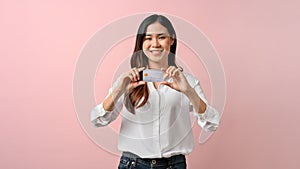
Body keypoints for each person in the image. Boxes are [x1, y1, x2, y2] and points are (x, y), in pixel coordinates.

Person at [90, 14, 220, 169]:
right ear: (141, 42)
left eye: (161, 37)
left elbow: (211, 124)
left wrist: (189, 92)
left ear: (171, 40)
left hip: (174, 164)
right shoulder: (127, 81)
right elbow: (98, 120)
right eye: (148, 38)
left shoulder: (187, 82)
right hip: (133, 164)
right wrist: (118, 90)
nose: (155, 44)